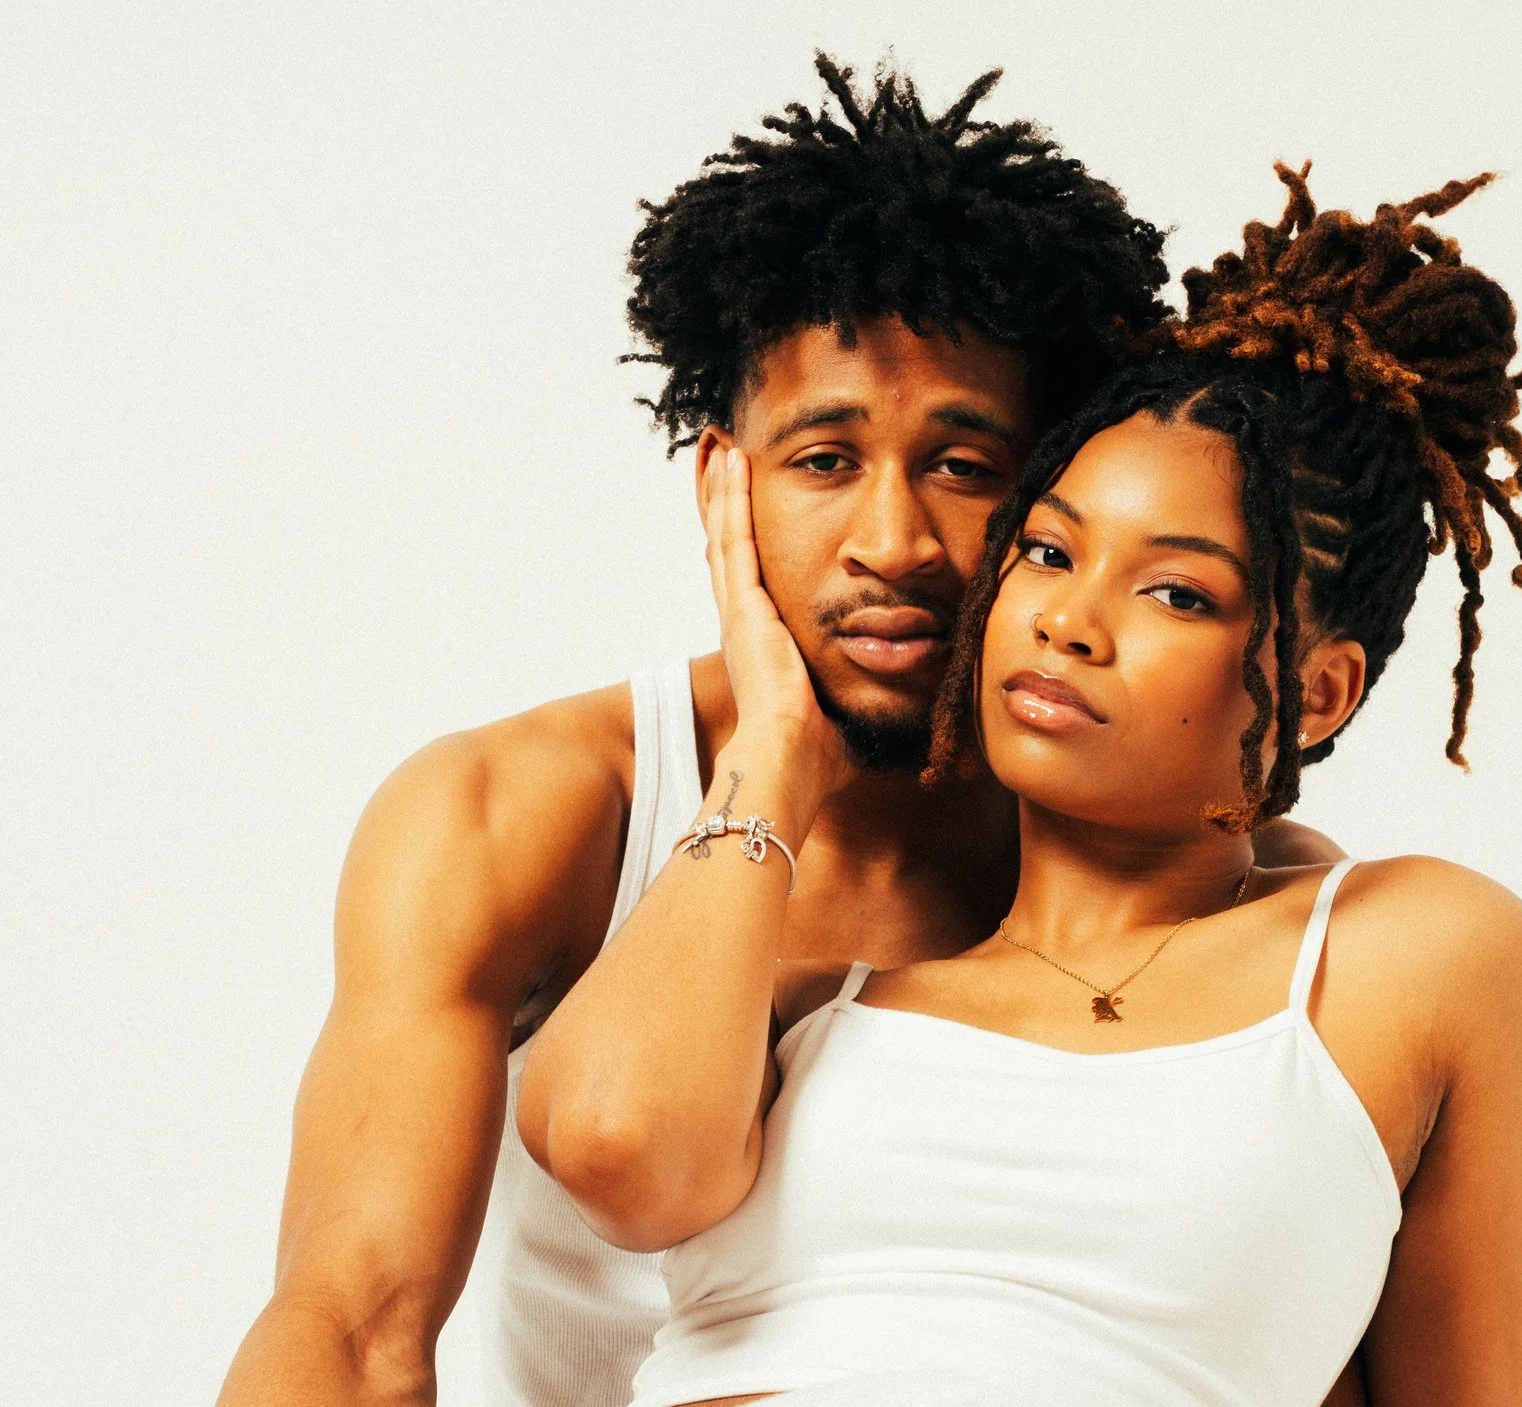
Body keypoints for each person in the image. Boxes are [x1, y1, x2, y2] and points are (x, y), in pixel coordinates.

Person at [215, 58, 1342, 1407]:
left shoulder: (1189, 873)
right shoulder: (514, 811)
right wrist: (768, 761)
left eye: (965, 466)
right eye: (824, 460)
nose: (893, 541)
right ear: (723, 481)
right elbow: (350, 1329)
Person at [517, 165, 1522, 1407]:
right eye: (1048, 550)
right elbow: (613, 1149)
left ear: (1318, 692)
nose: (1067, 621)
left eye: (1175, 591)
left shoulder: (1412, 956)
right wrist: (772, 743)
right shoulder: (802, 1004)